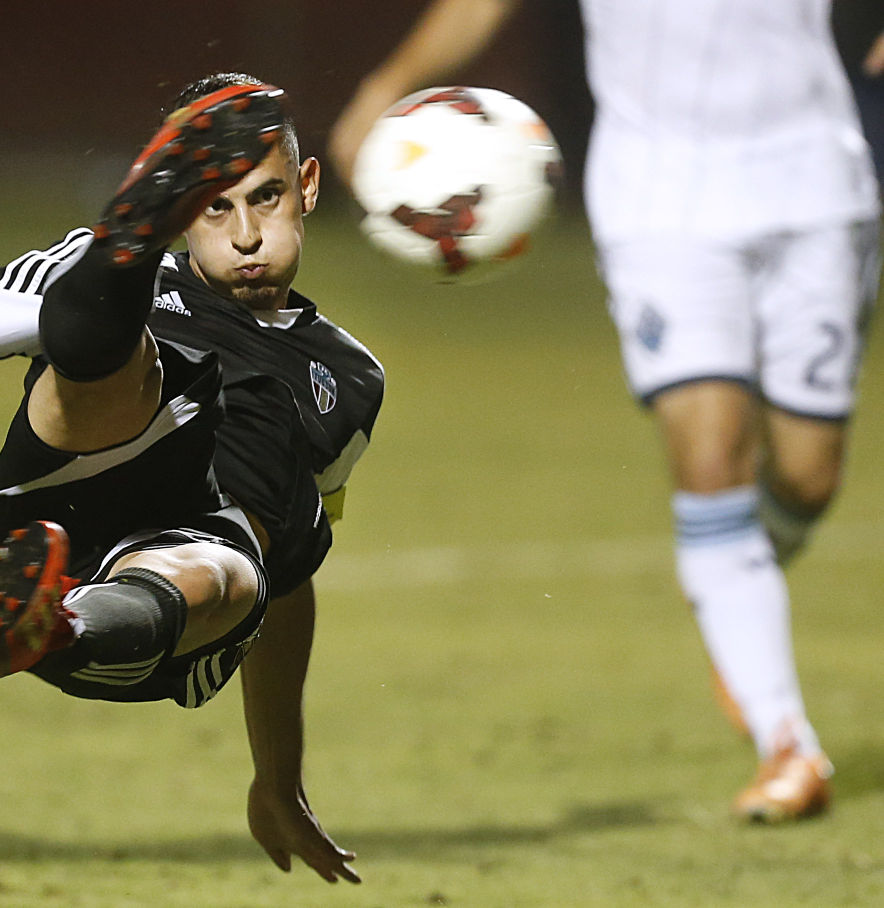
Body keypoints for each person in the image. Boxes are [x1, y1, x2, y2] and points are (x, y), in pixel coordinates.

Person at [0, 74, 381, 883]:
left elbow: (294, 576)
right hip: (67, 484)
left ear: (307, 190)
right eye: (213, 206)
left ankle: (48, 624)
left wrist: (278, 779)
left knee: (235, 568)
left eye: (265, 199)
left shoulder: (348, 378)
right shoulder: (135, 283)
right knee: (125, 346)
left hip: (164, 608)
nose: (245, 236)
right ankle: (125, 246)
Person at [330, 0, 882, 822]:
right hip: (661, 197)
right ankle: (786, 743)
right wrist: (391, 81)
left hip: (816, 181)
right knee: (710, 465)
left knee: (807, 477)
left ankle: (739, 601)